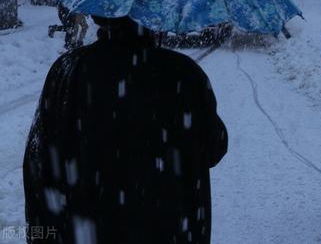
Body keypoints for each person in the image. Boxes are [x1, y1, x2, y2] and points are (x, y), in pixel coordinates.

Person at [24, 16, 228, 244]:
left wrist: (39, 233)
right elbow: (212, 147)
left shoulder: (68, 70)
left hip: (85, 229)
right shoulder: (185, 74)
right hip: (166, 229)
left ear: (99, 15)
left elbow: (38, 160)